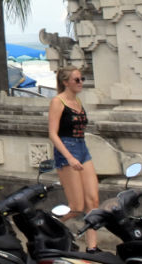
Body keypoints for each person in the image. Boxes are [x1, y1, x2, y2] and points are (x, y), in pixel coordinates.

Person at [48, 67, 99, 252]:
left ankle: (92, 247)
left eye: (81, 79)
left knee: (92, 202)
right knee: (76, 207)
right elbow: (53, 134)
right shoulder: (57, 101)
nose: (80, 83)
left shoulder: (77, 100)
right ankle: (48, 225)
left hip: (82, 147)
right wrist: (69, 157)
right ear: (65, 82)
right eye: (76, 80)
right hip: (66, 148)